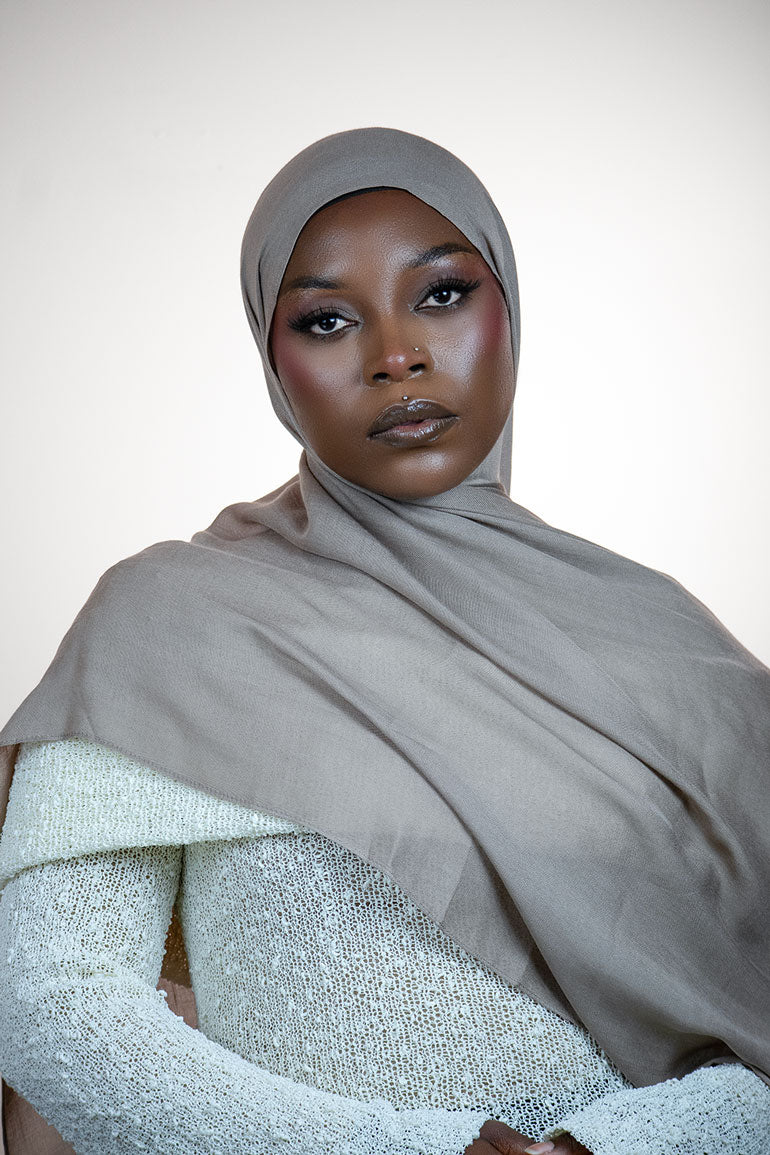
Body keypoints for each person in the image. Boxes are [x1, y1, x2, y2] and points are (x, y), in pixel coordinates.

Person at [0, 127, 768, 1155]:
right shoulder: (166, 628)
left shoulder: (675, 661)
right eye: (326, 319)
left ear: (508, 309)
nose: (395, 353)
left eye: (441, 294)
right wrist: (410, 1150)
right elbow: (54, 1002)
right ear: (272, 360)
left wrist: (606, 1149)